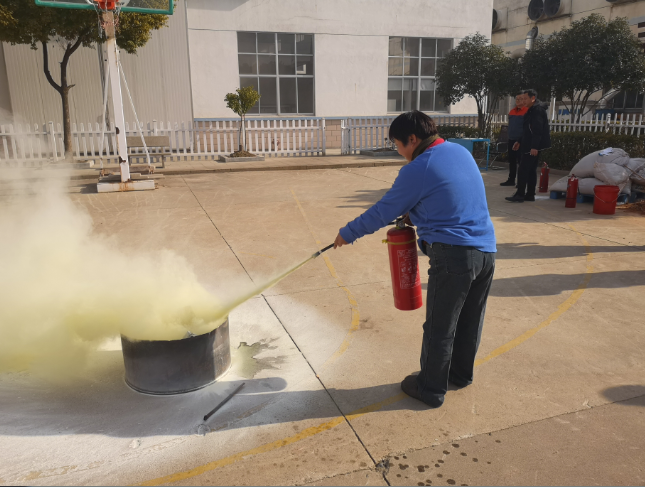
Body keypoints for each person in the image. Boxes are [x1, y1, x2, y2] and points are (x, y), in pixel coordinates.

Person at [333, 111, 496, 409]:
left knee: (440, 326)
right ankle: (460, 375)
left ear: (412, 139)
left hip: (454, 256)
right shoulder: (459, 152)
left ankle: (430, 388)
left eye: (397, 144)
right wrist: (418, 213)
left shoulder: (419, 167)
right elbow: (451, 197)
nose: (398, 151)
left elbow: (383, 211)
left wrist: (348, 233)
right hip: (486, 252)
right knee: (470, 320)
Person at [506, 89, 551, 202]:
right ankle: (530, 195)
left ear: (533, 98)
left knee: (523, 169)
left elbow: (537, 130)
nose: (523, 101)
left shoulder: (537, 111)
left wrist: (534, 147)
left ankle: (520, 194)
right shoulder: (531, 110)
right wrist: (519, 141)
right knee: (531, 170)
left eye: (525, 99)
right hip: (528, 144)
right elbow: (527, 129)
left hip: (532, 146)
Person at [500, 94, 528, 187]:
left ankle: (521, 182)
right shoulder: (512, 111)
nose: (518, 101)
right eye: (517, 99)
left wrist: (521, 139)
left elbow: (526, 128)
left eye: (520, 99)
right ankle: (511, 180)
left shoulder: (527, 111)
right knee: (512, 160)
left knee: (521, 162)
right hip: (511, 139)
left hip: (521, 140)